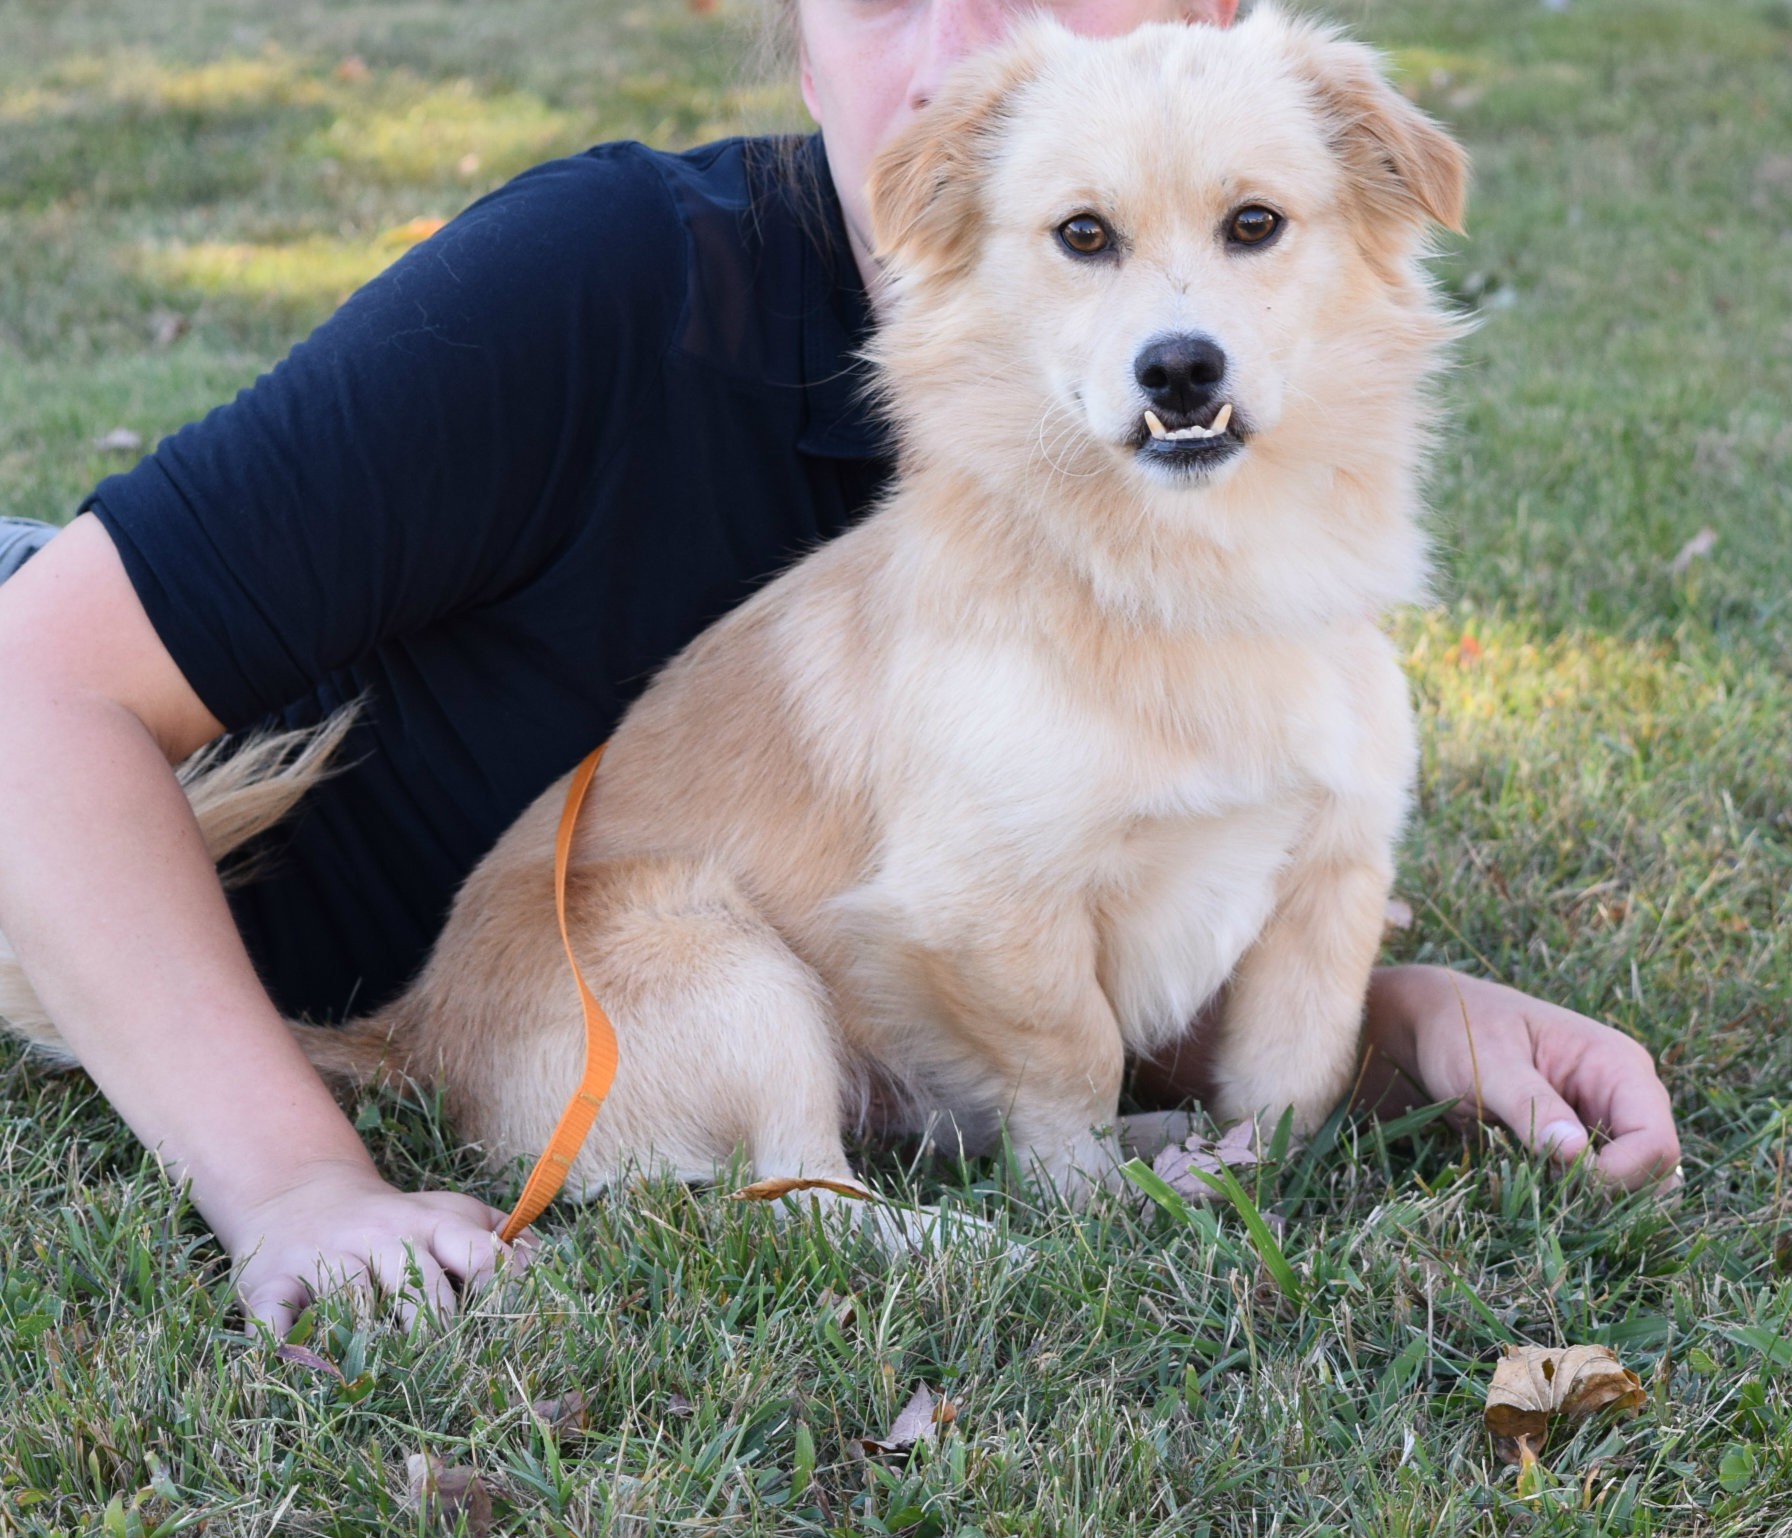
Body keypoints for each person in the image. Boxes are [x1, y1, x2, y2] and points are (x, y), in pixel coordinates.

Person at [0, 0, 1679, 1334]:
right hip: (114, 819)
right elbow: (34, 695)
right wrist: (296, 1181)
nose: (958, 51)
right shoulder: (598, 283)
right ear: (798, 33)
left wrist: (1395, 1016)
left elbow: (1048, 914)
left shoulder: (1196, 485)